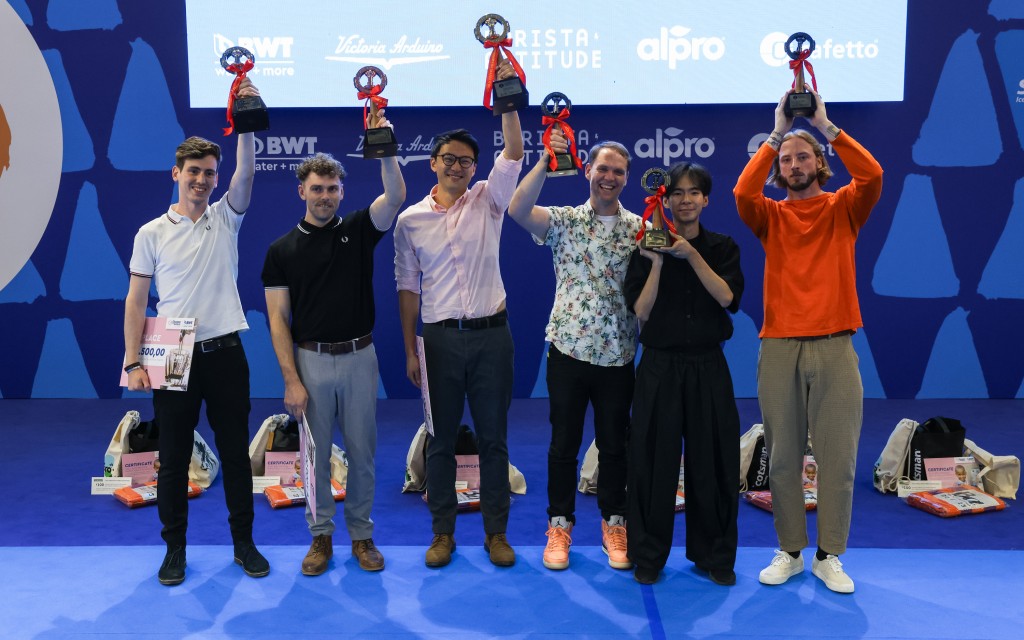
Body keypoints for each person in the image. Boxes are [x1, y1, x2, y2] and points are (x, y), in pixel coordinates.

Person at [733, 87, 883, 594]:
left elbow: (873, 175)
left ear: (821, 162)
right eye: (786, 160)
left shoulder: (845, 207)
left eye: (804, 157)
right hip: (778, 347)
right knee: (782, 457)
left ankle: (829, 554)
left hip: (836, 346)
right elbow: (742, 195)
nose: (794, 164)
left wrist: (825, 125)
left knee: (838, 457)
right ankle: (791, 550)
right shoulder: (770, 216)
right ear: (778, 168)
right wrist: (776, 132)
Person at [123, 78, 269, 586]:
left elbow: (246, 170)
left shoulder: (227, 218)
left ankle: (244, 545)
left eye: (210, 173)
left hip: (227, 352)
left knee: (234, 454)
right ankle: (175, 551)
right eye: (194, 172)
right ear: (176, 174)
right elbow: (137, 301)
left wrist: (245, 119)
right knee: (173, 460)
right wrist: (133, 360)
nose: (203, 180)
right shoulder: (152, 232)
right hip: (172, 356)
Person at [393, 58, 524, 569]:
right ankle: (442, 533)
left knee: (494, 440)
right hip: (438, 341)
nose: (457, 166)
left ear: (474, 168)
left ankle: (496, 534)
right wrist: (409, 348)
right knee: (441, 441)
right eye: (448, 158)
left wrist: (507, 100)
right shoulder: (410, 221)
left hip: (493, 337)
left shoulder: (490, 201)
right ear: (434, 163)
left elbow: (513, 151)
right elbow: (407, 287)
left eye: (466, 161)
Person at [262, 141, 405, 576]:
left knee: (363, 453)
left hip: (361, 357)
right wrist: (291, 379)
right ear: (301, 192)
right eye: (317, 188)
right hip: (311, 363)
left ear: (342, 192)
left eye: (333, 188)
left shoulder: (360, 229)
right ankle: (320, 535)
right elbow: (278, 320)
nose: (325, 195)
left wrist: (385, 146)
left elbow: (396, 196)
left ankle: (361, 535)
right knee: (315, 456)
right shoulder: (280, 251)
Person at [507, 136, 643, 571]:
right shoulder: (564, 221)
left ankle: (614, 524)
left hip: (618, 356)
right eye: (603, 169)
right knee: (563, 445)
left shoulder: (639, 228)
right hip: (567, 351)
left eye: (618, 172)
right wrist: (547, 162)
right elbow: (516, 210)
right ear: (587, 171)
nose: (609, 178)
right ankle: (560, 526)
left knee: (615, 447)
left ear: (626, 179)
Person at [624, 162, 744, 586]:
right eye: (677, 193)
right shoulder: (645, 246)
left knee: (713, 461)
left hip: (709, 366)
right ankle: (649, 556)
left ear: (706, 199)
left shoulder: (723, 247)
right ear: (666, 200)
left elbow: (728, 297)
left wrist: (689, 254)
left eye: (694, 192)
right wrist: (656, 261)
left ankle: (714, 555)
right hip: (658, 367)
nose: (686, 199)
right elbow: (640, 312)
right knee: (651, 462)